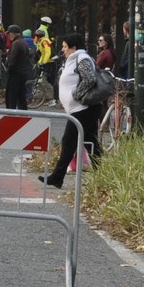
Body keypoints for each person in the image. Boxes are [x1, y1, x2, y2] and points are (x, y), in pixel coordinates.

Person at [37, 34, 105, 190]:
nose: (63, 49)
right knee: (91, 141)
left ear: (74, 47)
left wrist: (76, 94)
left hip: (83, 109)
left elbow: (89, 79)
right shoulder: (76, 58)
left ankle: (57, 177)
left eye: (65, 46)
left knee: (69, 141)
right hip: (82, 109)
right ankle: (103, 174)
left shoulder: (82, 58)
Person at [2, 25, 33, 110]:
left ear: (14, 33)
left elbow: (12, 59)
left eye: (9, 33)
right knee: (21, 96)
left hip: (15, 74)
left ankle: (10, 114)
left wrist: (8, 69)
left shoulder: (16, 43)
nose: (8, 36)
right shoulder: (23, 42)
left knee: (11, 96)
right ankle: (23, 114)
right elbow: (29, 55)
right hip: (22, 73)